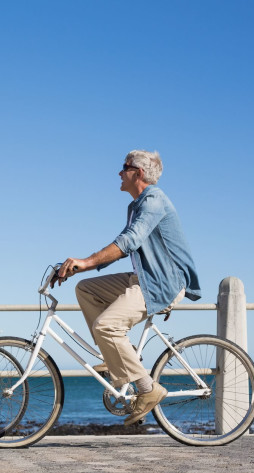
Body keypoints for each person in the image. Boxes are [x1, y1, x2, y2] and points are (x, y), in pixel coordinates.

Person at [56, 150, 201, 426]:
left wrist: (85, 261)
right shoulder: (135, 206)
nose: (119, 173)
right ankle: (119, 357)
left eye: (124, 167)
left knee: (106, 326)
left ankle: (148, 389)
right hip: (145, 278)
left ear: (139, 173)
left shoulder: (154, 200)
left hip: (162, 283)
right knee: (86, 289)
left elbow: (129, 241)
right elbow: (127, 248)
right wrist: (80, 269)